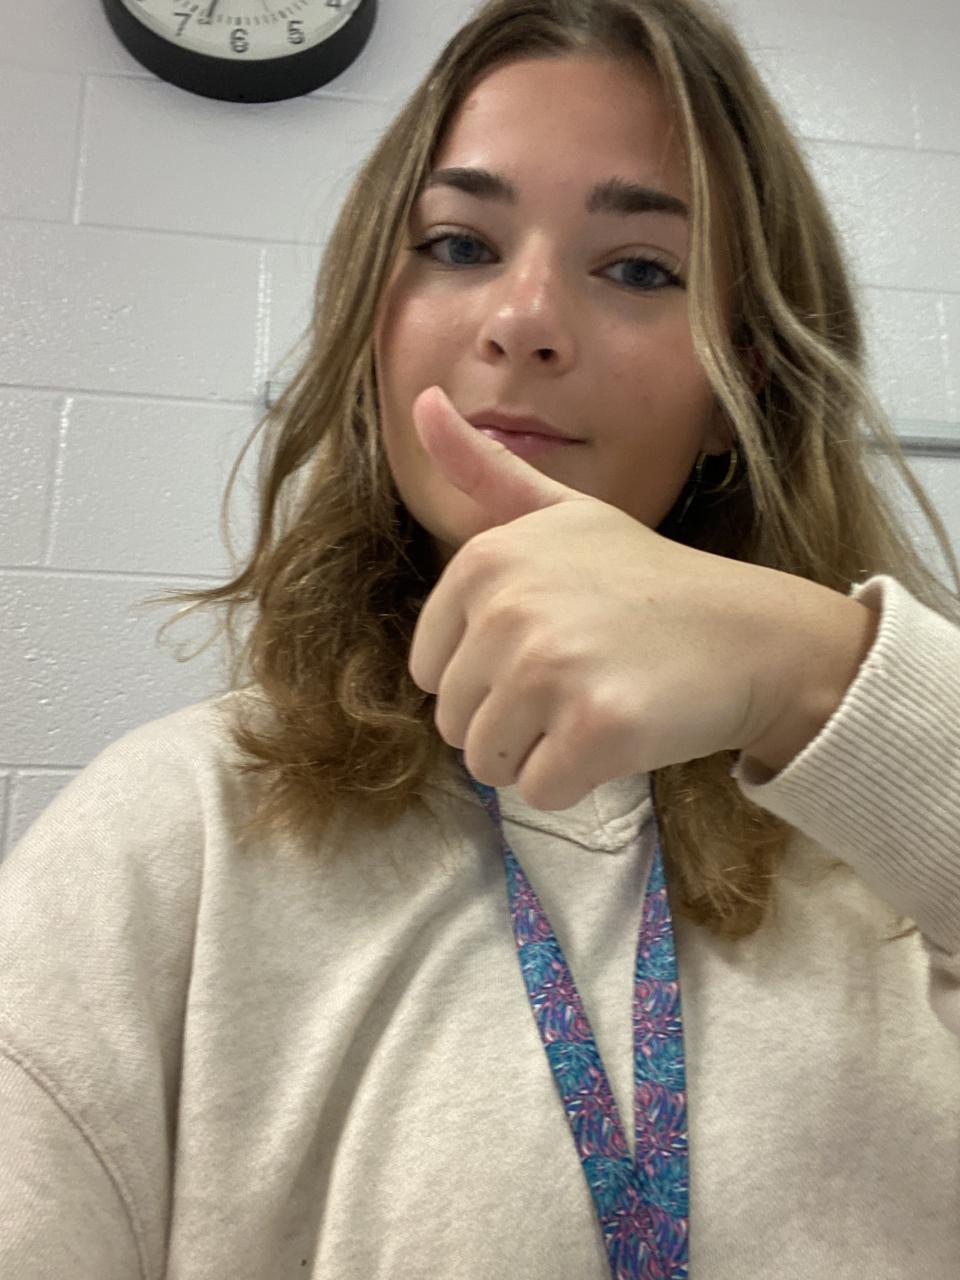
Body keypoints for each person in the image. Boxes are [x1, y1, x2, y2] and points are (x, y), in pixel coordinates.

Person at [2, 0, 960, 1276]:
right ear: (374, 331)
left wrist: (821, 675)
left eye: (639, 268)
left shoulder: (901, 861)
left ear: (744, 381)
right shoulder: (168, 838)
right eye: (459, 244)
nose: (524, 318)